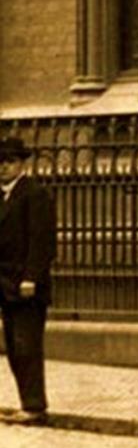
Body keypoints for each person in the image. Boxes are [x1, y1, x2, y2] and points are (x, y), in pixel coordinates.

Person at [0, 137, 55, 426]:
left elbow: (42, 242)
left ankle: (35, 406)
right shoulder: (2, 195)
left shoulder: (35, 194)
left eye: (9, 162)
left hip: (26, 286)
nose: (3, 168)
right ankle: (26, 402)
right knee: (12, 345)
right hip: (5, 286)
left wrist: (31, 277)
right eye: (0, 162)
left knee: (27, 346)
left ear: (21, 164)